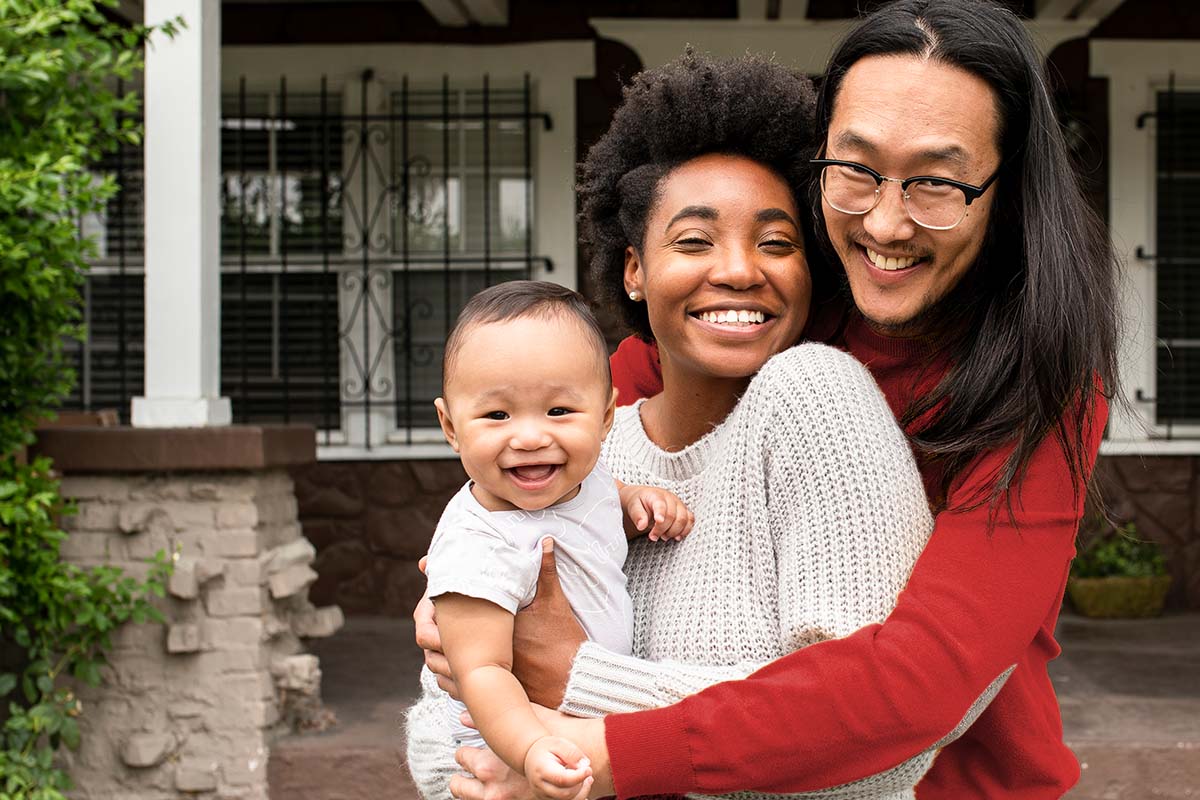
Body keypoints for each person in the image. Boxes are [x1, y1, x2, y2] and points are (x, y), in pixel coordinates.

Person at [418, 1, 1119, 799]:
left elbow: (926, 679)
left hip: (958, 783)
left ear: (1005, 189)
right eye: (856, 169)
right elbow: (554, 464)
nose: (886, 222)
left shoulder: (1033, 378)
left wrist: (601, 730)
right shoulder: (756, 317)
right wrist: (471, 602)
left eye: (937, 181)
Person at [406, 281, 694, 800]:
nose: (531, 437)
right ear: (451, 426)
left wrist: (637, 505)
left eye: (559, 411)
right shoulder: (477, 547)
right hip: (508, 744)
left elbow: (602, 504)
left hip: (584, 725)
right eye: (497, 415)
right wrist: (531, 749)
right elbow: (484, 673)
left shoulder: (588, 480)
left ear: (606, 416)